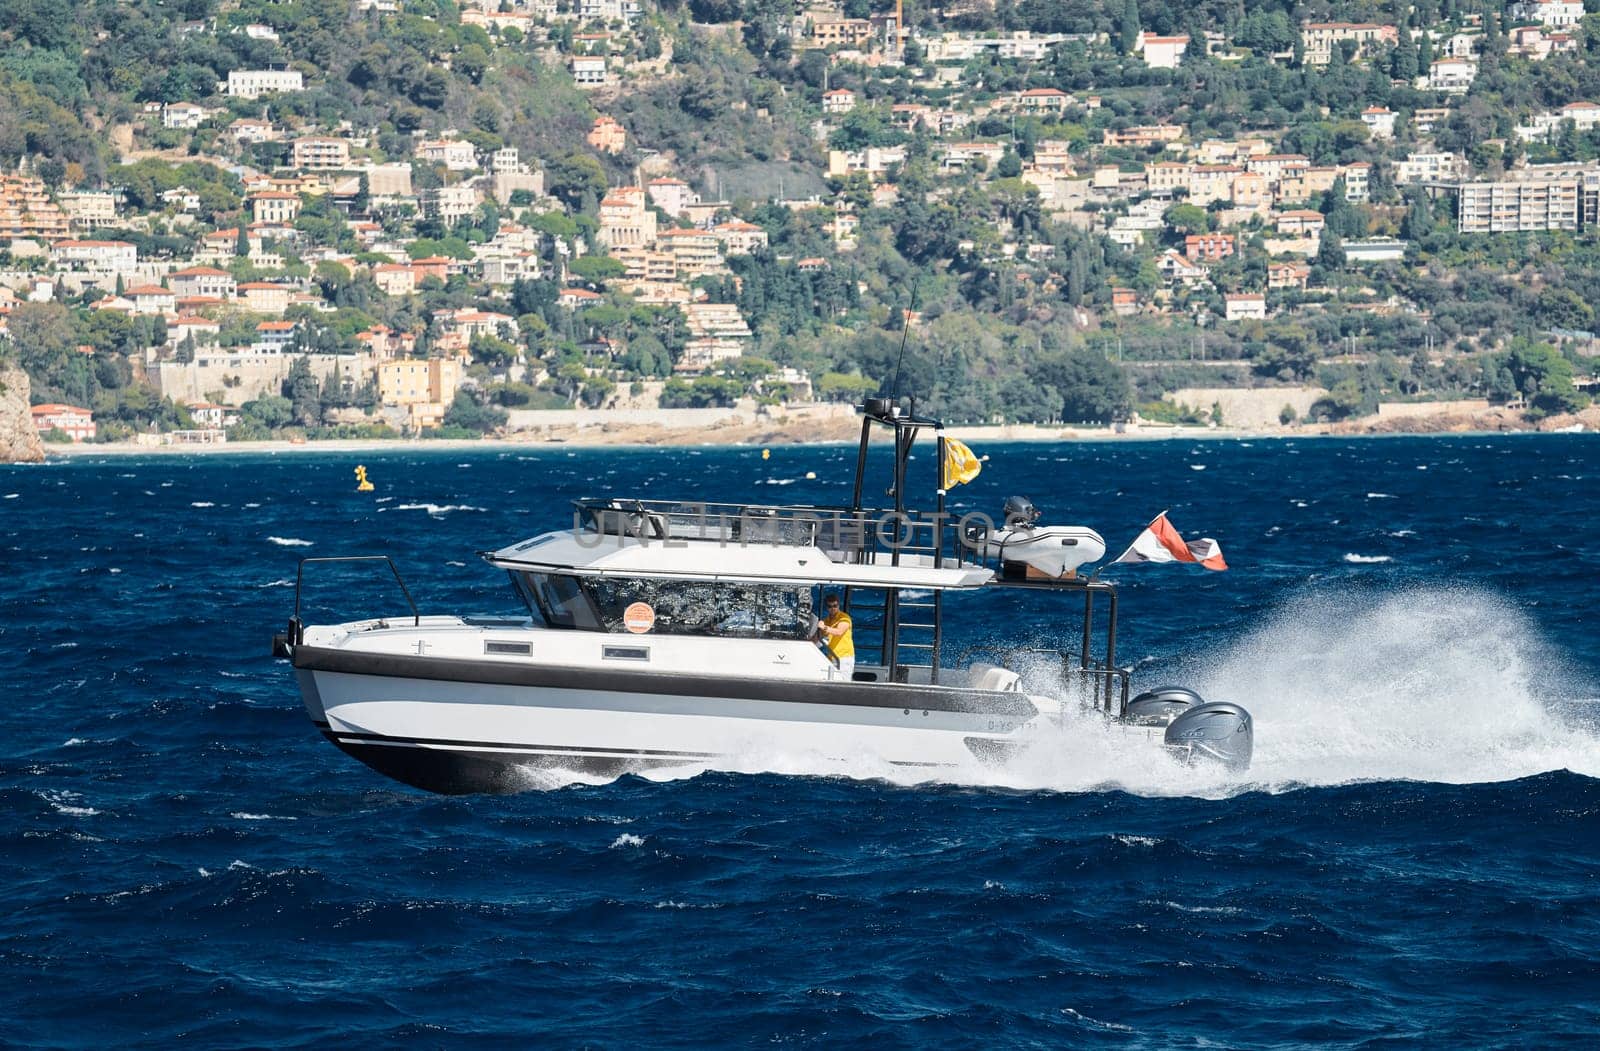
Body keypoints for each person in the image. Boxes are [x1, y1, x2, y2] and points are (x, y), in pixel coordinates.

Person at [817, 592, 854, 681]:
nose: (833, 608)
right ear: (827, 608)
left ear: (838, 605)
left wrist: (824, 627)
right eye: (830, 606)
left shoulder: (844, 618)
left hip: (844, 657)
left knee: (843, 684)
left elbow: (839, 632)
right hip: (832, 657)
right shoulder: (827, 620)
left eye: (835, 605)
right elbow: (818, 637)